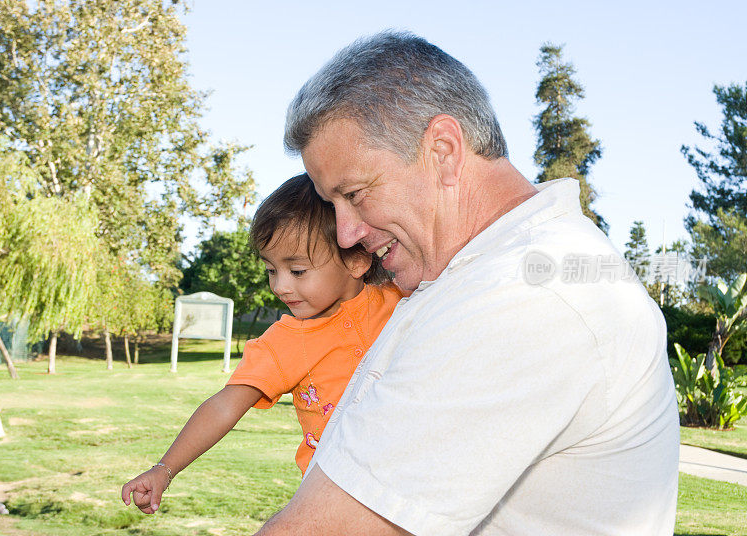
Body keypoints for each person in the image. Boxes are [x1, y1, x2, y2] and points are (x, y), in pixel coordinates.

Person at [256, 31, 679, 535]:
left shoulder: (522, 298)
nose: (346, 233)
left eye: (355, 194)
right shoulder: (475, 272)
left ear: (443, 150)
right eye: (333, 205)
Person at [121, 173, 403, 514]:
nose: (280, 286)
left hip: (413, 483)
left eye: (297, 271)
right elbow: (224, 406)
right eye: (271, 270)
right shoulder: (284, 343)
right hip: (338, 497)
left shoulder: (402, 299)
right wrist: (164, 470)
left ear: (356, 260)